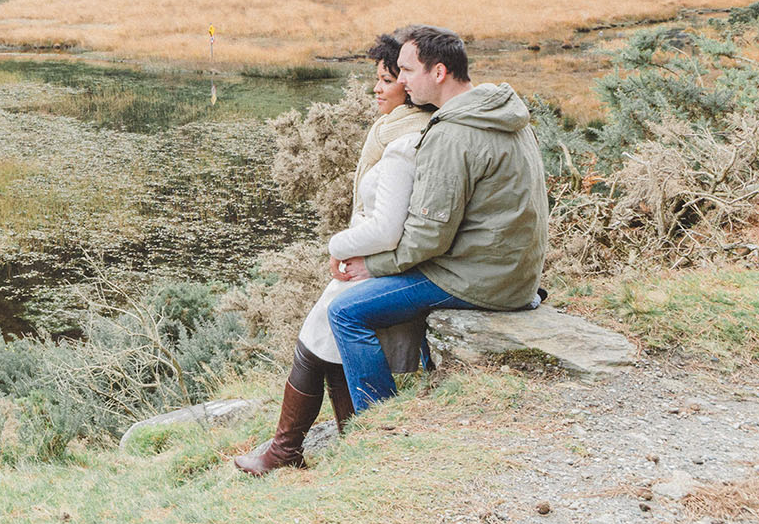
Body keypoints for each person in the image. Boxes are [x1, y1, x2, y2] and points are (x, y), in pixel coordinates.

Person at [235, 31, 433, 476]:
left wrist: (340, 247)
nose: (376, 90)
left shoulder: (409, 137)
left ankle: (287, 450)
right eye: (377, 80)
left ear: (410, 83)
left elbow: (389, 224)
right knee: (326, 342)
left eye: (386, 79)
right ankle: (350, 440)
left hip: (381, 261)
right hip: (366, 257)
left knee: (314, 340)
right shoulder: (393, 130)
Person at [325, 24, 548, 414]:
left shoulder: (452, 135)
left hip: (482, 280)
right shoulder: (500, 110)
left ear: (439, 72)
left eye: (408, 71)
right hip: (516, 273)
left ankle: (379, 423)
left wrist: (370, 265)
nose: (403, 81)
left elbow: (429, 238)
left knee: (345, 311)